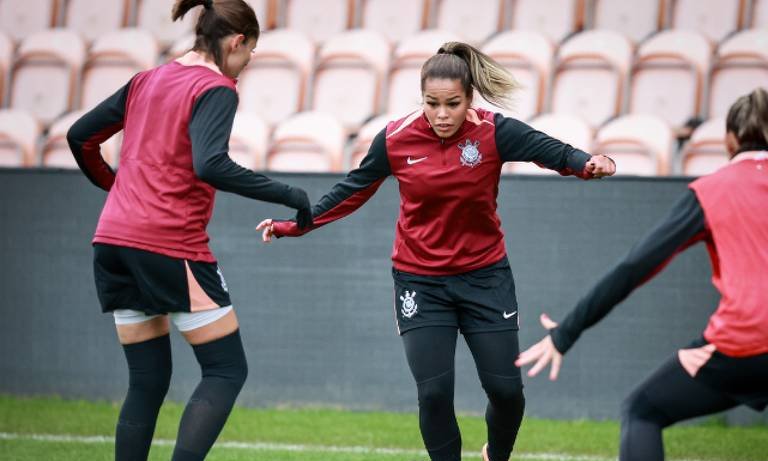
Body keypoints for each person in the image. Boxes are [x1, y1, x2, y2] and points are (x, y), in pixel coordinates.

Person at [256, 42, 615, 461]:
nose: (442, 114)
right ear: (421, 98)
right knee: (434, 393)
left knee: (506, 392)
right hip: (420, 283)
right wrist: (293, 226)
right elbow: (350, 191)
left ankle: (495, 455)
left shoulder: (494, 131)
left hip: (485, 278)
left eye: (453, 104)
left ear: (469, 99)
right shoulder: (394, 139)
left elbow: (549, 150)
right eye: (432, 103)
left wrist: (588, 162)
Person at [66, 1, 312, 459]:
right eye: (250, 52)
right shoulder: (217, 87)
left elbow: (80, 136)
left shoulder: (147, 79)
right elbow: (210, 163)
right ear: (236, 41)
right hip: (168, 244)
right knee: (225, 370)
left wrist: (119, 191)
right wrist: (289, 195)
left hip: (113, 241)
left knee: (147, 380)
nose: (247, 63)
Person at [516, 88, 768, 461]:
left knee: (642, 411)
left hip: (745, 343)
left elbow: (635, 267)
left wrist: (565, 333)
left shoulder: (712, 190)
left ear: (730, 139)